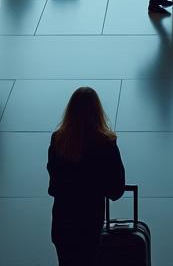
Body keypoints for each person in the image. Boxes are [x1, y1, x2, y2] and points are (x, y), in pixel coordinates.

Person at [47, 86, 126, 266]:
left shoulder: (58, 140)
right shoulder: (106, 144)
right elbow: (116, 190)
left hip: (63, 223)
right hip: (89, 224)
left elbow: (54, 187)